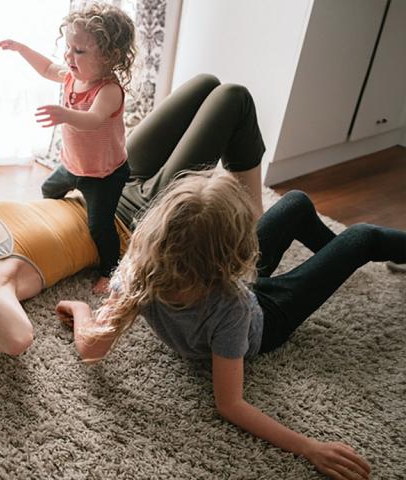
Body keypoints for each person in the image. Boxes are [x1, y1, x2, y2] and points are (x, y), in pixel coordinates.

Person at [0, 73, 265, 357]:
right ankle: (253, 212)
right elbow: (16, 339)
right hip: (135, 218)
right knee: (232, 98)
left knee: (204, 84)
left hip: (103, 186)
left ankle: (248, 207)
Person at [56, 171, 405, 479]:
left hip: (218, 287)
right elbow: (230, 404)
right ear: (235, 256)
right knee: (363, 238)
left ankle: (336, 261)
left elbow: (90, 347)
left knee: (296, 203)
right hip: (269, 319)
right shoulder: (231, 306)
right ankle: (343, 257)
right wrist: (309, 447)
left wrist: (81, 309)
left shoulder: (138, 271)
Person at [0, 4, 136, 293]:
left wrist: (65, 114)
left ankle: (110, 269)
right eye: (68, 48)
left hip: (105, 174)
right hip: (74, 164)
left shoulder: (108, 90)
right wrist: (22, 48)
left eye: (79, 51)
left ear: (111, 57)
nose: (69, 56)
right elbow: (47, 68)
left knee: (100, 226)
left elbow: (93, 119)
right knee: (49, 190)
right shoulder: (72, 75)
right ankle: (67, 225)